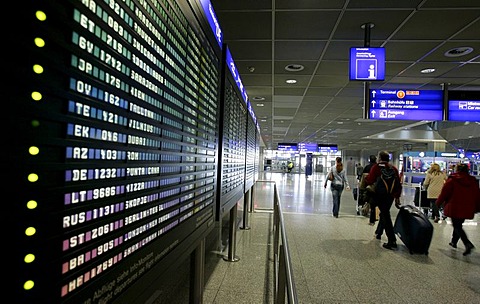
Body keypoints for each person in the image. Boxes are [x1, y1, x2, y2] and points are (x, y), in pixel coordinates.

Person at [436, 163, 480, 256]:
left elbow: (445, 192)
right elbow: (477, 195)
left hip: (454, 206)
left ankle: (467, 243)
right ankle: (453, 241)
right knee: (458, 224)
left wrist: (438, 202)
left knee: (457, 226)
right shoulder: (472, 181)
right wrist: (477, 206)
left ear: (457, 170)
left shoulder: (452, 180)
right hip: (467, 206)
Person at [365, 151, 402, 250]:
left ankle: (392, 240)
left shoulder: (376, 167)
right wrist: (397, 197)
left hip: (379, 194)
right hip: (390, 195)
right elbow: (398, 183)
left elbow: (370, 180)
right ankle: (378, 233)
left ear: (380, 158)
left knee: (385, 215)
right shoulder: (393, 168)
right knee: (384, 213)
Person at [359, 155, 378, 225]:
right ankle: (376, 215)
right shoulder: (377, 167)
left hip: (368, 187)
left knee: (368, 199)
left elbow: (363, 177)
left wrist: (362, 186)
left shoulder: (367, 167)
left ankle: (367, 211)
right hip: (377, 187)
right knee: (375, 203)